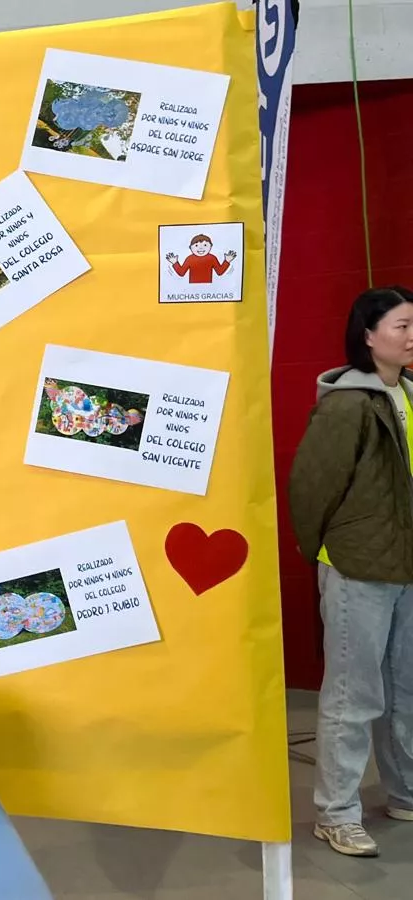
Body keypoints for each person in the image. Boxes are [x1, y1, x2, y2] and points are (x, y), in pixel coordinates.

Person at [289, 285, 413, 858]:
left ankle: (404, 791)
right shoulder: (347, 404)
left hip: (405, 570)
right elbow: (310, 488)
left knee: (404, 691)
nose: (412, 337)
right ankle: (336, 813)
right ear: (367, 336)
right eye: (401, 326)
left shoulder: (407, 394)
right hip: (358, 570)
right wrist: (328, 552)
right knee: (352, 694)